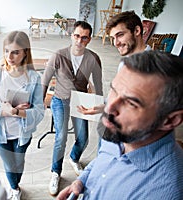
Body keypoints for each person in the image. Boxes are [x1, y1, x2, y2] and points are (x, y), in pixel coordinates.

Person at [57, 50, 183, 200]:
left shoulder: (165, 192)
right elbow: (102, 161)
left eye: (131, 103)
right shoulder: (119, 130)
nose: (109, 108)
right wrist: (81, 181)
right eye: (114, 90)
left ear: (170, 120)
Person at [41, 21, 103, 196]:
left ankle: (74, 158)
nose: (79, 41)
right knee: (61, 137)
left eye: (84, 38)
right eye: (77, 36)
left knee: (83, 138)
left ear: (89, 39)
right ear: (72, 35)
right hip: (60, 100)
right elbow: (45, 80)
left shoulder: (93, 58)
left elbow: (98, 84)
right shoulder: (59, 55)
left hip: (81, 101)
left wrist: (98, 104)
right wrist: (39, 103)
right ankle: (55, 172)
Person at [0, 31, 44, 200]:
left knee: (19, 163)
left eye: (15, 52)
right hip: (0, 133)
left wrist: (17, 112)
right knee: (9, 165)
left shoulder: (34, 78)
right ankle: (15, 189)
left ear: (25, 52)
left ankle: (16, 185)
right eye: (7, 51)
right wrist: (5, 111)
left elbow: (39, 111)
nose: (10, 56)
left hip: (22, 132)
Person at [78, 10, 152, 115]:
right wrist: (103, 106)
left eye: (120, 35)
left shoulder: (154, 67)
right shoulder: (125, 62)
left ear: (136, 31)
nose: (116, 43)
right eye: (113, 38)